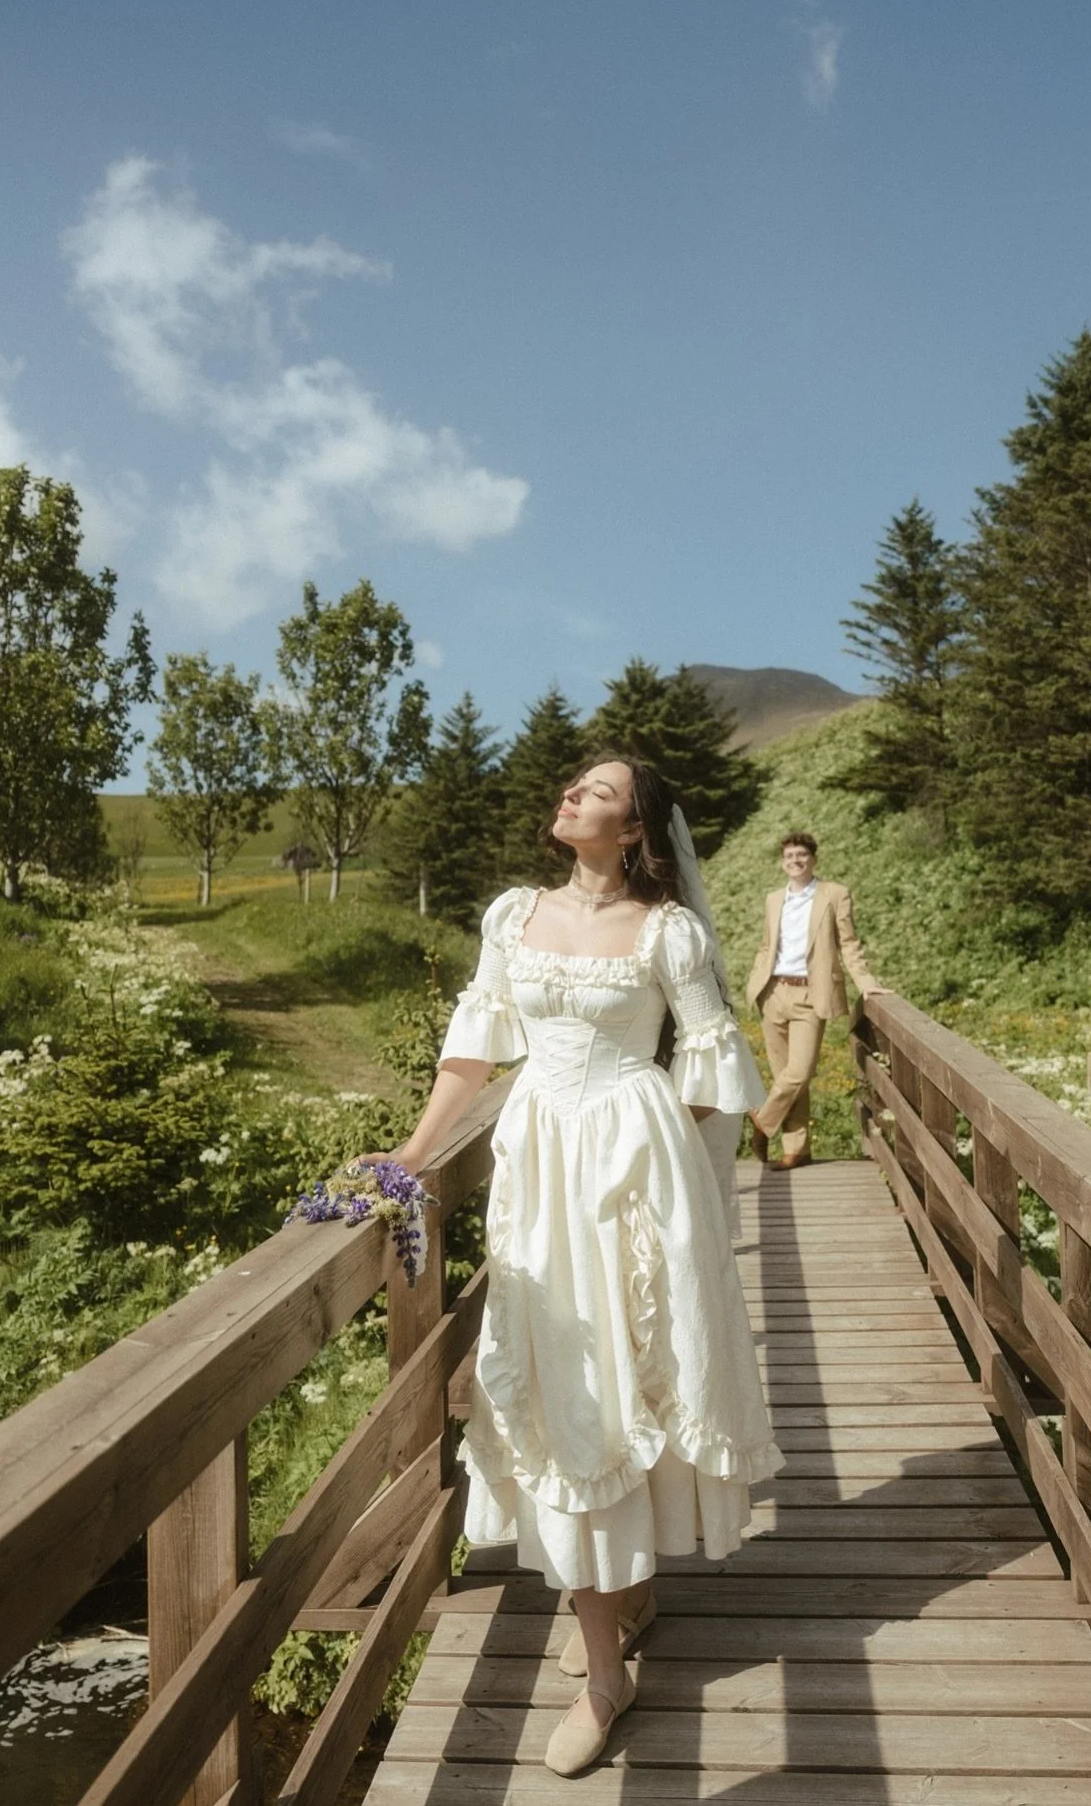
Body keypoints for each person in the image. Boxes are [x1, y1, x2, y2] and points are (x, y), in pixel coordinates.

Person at [363, 758, 781, 1777]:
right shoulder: (515, 913)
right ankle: (613, 1622)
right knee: (567, 1378)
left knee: (634, 1363)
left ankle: (608, 1656)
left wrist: (661, 1161)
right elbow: (475, 1047)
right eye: (572, 785)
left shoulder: (666, 929)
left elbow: (716, 1059)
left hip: (633, 1162)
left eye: (594, 789)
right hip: (539, 1168)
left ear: (634, 825)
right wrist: (412, 1155)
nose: (569, 795)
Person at [745, 831, 889, 1169]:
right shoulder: (773, 899)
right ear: (782, 863)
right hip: (773, 992)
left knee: (800, 1071)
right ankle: (797, 1150)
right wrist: (756, 983)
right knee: (785, 1075)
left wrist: (866, 983)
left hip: (811, 994)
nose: (795, 861)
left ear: (813, 859)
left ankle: (762, 1124)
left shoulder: (834, 895)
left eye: (802, 855)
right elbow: (767, 946)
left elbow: (849, 944)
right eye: (789, 856)